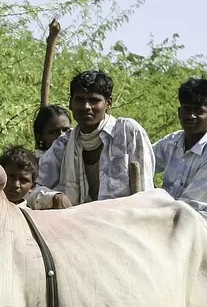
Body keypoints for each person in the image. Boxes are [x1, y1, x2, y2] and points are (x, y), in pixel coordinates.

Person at [27, 70, 155, 210]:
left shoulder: (127, 132)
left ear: (108, 104)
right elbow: (32, 189)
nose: (86, 107)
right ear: (70, 104)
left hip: (124, 219)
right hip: (78, 220)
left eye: (94, 100)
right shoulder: (63, 144)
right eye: (79, 100)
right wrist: (54, 197)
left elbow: (145, 192)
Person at [153, 78, 207, 230]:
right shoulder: (172, 142)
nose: (190, 116)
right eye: (186, 109)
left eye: (199, 111)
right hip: (172, 217)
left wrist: (152, 202)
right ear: (179, 112)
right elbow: (145, 163)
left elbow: (189, 206)